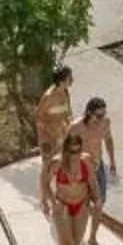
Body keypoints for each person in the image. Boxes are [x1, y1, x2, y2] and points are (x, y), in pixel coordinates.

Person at [45, 130, 99, 245]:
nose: (75, 154)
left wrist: (97, 200)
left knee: (75, 244)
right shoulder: (57, 163)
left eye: (78, 150)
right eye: (71, 150)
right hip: (63, 206)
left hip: (81, 204)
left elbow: (93, 183)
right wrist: (52, 202)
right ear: (65, 149)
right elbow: (44, 183)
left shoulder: (86, 161)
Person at [68, 97, 118, 219]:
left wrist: (112, 161)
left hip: (97, 165)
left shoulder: (105, 123)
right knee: (80, 200)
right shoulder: (76, 127)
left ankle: (92, 234)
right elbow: (66, 149)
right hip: (80, 168)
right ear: (89, 112)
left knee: (100, 200)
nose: (101, 118)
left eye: (104, 114)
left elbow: (108, 140)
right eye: (99, 115)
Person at [32, 64, 74, 207]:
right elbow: (38, 119)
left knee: (57, 166)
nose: (72, 80)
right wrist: (50, 133)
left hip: (61, 135)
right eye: (70, 78)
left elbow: (68, 114)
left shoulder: (66, 93)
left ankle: (52, 194)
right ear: (62, 80)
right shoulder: (49, 96)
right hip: (48, 137)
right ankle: (44, 199)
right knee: (47, 166)